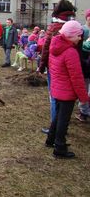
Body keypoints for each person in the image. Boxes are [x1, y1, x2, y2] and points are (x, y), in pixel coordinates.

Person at [45, 21, 89, 158]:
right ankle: (59, 148)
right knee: (64, 121)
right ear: (70, 35)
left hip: (57, 90)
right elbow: (77, 78)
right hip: (67, 93)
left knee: (58, 117)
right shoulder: (70, 52)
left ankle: (50, 140)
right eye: (78, 36)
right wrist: (84, 98)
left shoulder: (55, 46)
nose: (80, 38)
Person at [38, 0, 76, 133]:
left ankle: (55, 128)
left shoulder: (54, 26)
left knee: (54, 97)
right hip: (71, 66)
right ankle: (62, 126)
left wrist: (41, 67)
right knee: (67, 98)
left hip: (54, 67)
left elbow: (46, 49)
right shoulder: (75, 25)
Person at [76, 9, 90, 122]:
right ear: (87, 17)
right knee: (84, 88)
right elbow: (78, 45)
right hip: (85, 63)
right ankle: (83, 111)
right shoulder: (83, 30)